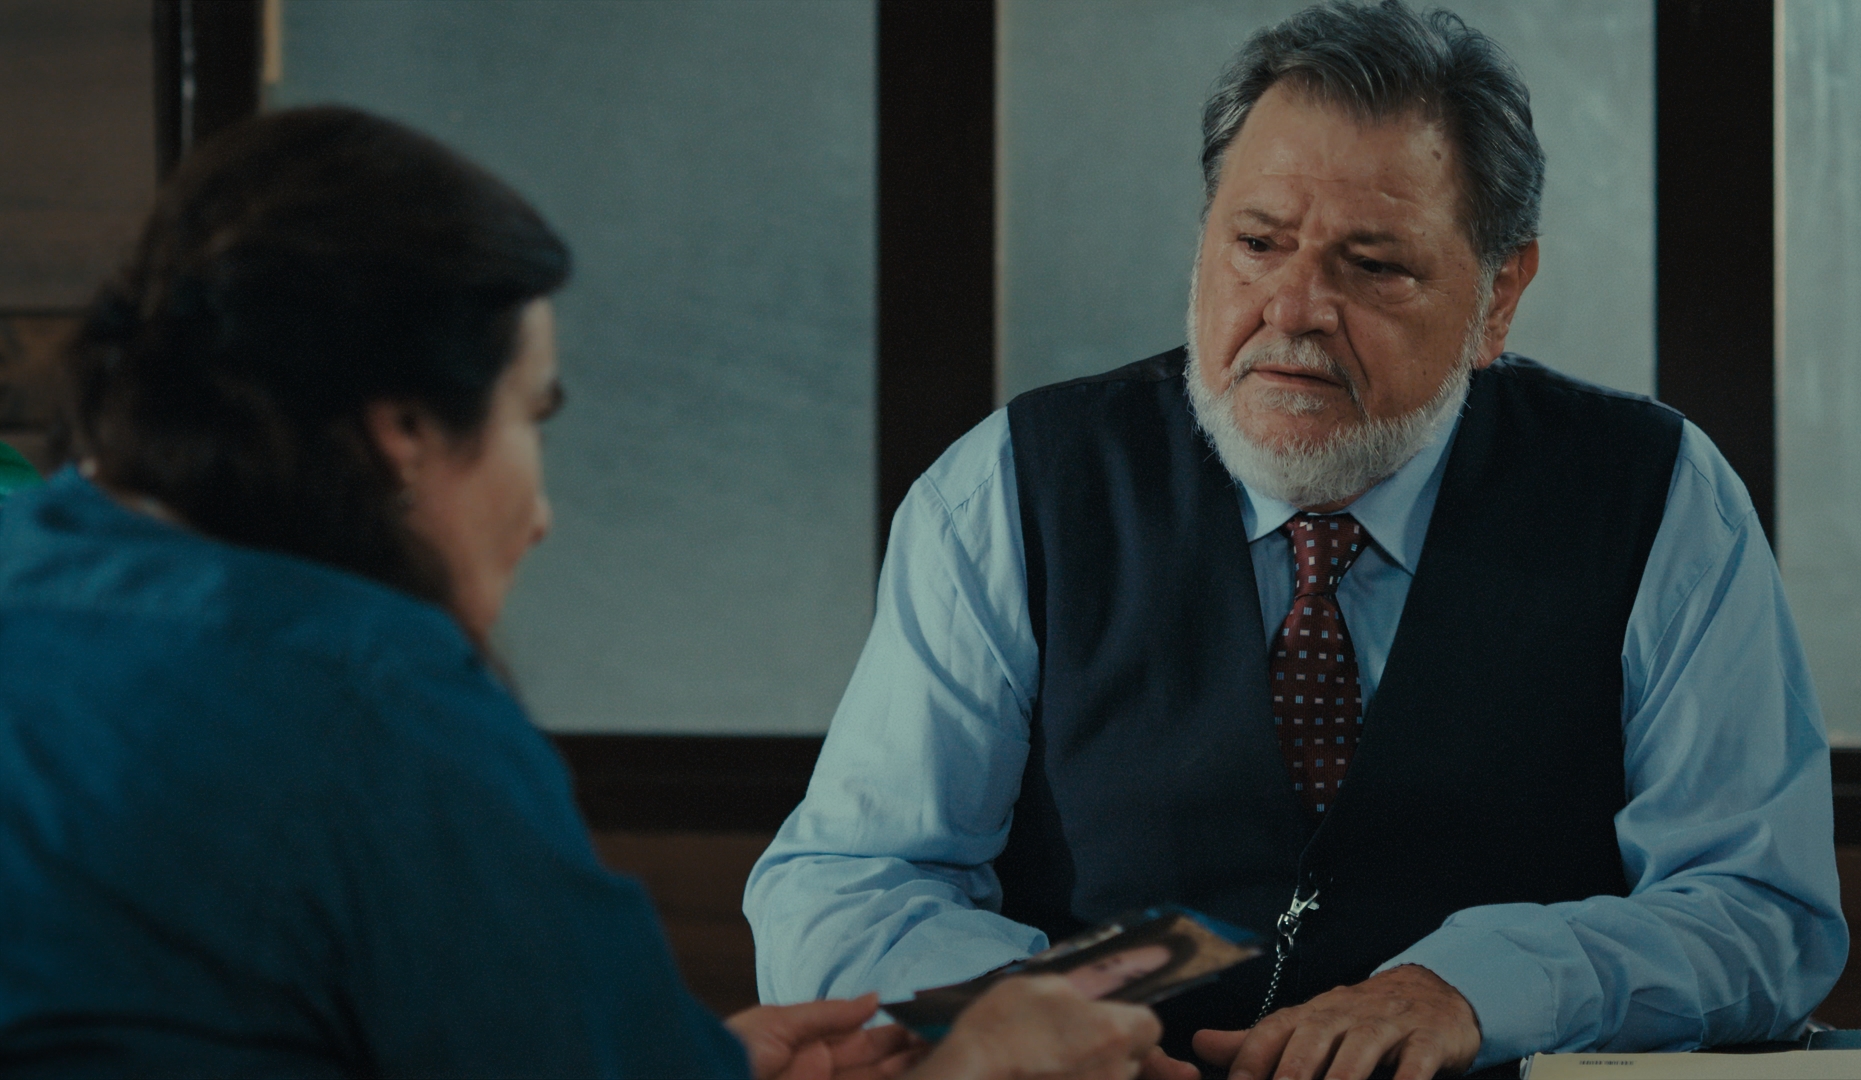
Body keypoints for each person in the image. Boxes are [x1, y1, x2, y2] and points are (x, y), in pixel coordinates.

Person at [744, 3, 1848, 1079]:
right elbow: (847, 882)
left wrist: (1480, 989)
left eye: (1374, 265)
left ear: (1500, 294)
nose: (1293, 308)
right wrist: (1026, 1027)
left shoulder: (1657, 496)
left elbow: (1761, 908)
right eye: (1257, 244)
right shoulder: (1008, 488)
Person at [0, 106, 1165, 1080]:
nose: (544, 513)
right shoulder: (375, 702)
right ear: (403, 431)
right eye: (531, 417)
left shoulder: (28, 561)